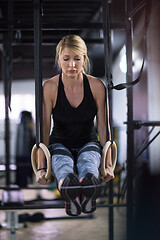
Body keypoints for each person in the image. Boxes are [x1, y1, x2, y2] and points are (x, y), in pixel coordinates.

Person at [36, 35, 114, 216]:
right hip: (59, 144)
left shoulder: (96, 86)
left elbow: (103, 126)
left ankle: (88, 188)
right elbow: (44, 128)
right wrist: (41, 167)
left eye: (77, 59)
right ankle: (69, 189)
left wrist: (108, 164)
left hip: (89, 142)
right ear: (58, 60)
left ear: (84, 59)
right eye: (66, 59)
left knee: (88, 161)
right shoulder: (50, 87)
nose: (72, 65)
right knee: (63, 164)